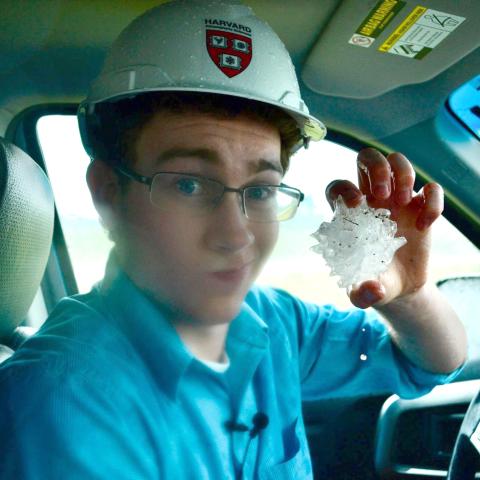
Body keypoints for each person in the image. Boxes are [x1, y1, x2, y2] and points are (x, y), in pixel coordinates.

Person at [0, 1, 467, 479]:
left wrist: (410, 296)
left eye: (261, 191)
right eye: (188, 184)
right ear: (109, 194)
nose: (235, 234)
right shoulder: (59, 407)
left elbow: (429, 364)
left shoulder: (268, 320)